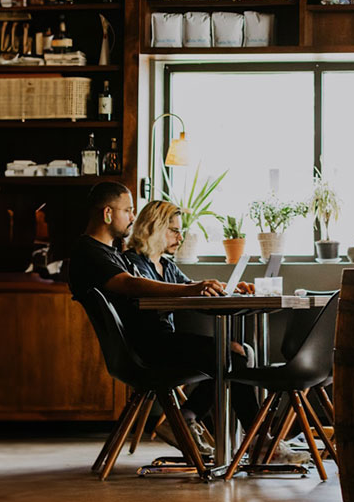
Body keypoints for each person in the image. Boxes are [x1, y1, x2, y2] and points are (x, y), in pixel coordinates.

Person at [68, 184, 255, 456]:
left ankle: (195, 421)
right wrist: (192, 289)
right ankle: (258, 441)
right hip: (144, 352)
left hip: (150, 345)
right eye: (128, 210)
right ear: (107, 213)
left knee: (234, 352)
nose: (133, 217)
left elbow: (147, 283)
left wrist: (223, 289)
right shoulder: (90, 252)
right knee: (231, 356)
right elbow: (130, 285)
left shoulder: (112, 253)